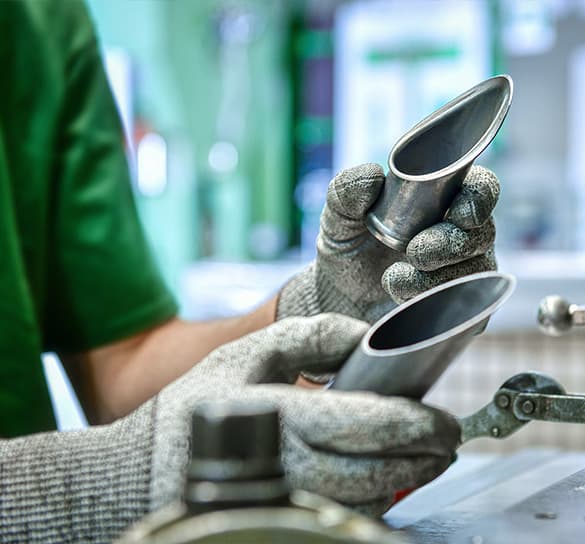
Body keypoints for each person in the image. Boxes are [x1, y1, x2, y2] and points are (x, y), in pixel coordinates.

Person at [0, 3, 493, 540]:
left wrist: (322, 303)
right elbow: (120, 461)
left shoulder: (41, 21)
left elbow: (121, 367)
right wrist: (85, 485)